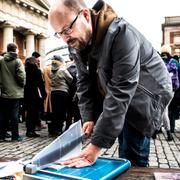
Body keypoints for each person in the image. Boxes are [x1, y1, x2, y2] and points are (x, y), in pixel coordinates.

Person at [48, 0, 173, 167]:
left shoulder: (122, 34)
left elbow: (121, 91)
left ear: (85, 15)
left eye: (67, 29)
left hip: (146, 94)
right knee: (120, 135)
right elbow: (84, 82)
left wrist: (95, 147)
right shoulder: (77, 42)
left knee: (131, 152)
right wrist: (89, 117)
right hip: (119, 91)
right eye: (59, 34)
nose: (65, 39)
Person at [0, 43, 25, 141]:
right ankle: (15, 136)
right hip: (15, 93)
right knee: (14, 115)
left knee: (2, 116)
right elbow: (21, 76)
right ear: (15, 50)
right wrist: (21, 84)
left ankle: (1, 136)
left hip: (3, 92)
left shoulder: (1, 61)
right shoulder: (17, 61)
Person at [50, 55, 73, 136]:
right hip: (63, 92)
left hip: (53, 92)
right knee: (62, 112)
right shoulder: (62, 70)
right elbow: (70, 79)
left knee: (55, 111)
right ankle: (59, 129)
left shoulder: (51, 70)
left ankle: (54, 129)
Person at [24, 56, 46, 137]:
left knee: (28, 113)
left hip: (26, 94)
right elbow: (40, 84)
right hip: (35, 94)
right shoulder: (37, 71)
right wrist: (44, 94)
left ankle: (29, 130)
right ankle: (31, 131)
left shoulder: (25, 70)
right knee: (34, 113)